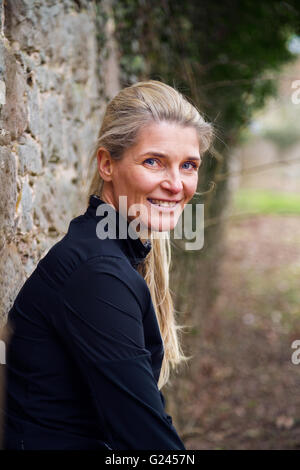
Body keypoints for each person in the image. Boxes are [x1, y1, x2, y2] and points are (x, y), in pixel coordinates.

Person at [1, 80, 213, 450]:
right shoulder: (97, 273)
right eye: (153, 161)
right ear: (106, 164)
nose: (176, 184)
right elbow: (148, 443)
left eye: (189, 165)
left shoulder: (108, 253)